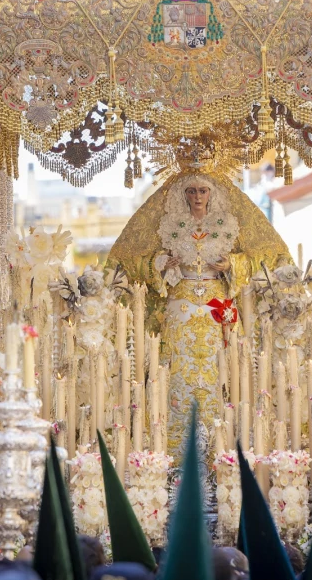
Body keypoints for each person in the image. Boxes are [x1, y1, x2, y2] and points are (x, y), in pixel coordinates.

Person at [107, 171, 290, 458]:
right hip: (180, 305)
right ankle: (174, 441)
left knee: (224, 364)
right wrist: (162, 263)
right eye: (191, 191)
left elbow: (261, 257)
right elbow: (136, 261)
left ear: (212, 194)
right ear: (183, 195)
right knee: (176, 364)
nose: (197, 197)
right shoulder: (170, 224)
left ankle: (225, 438)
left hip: (219, 305)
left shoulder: (228, 223)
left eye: (202, 191)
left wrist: (231, 264)